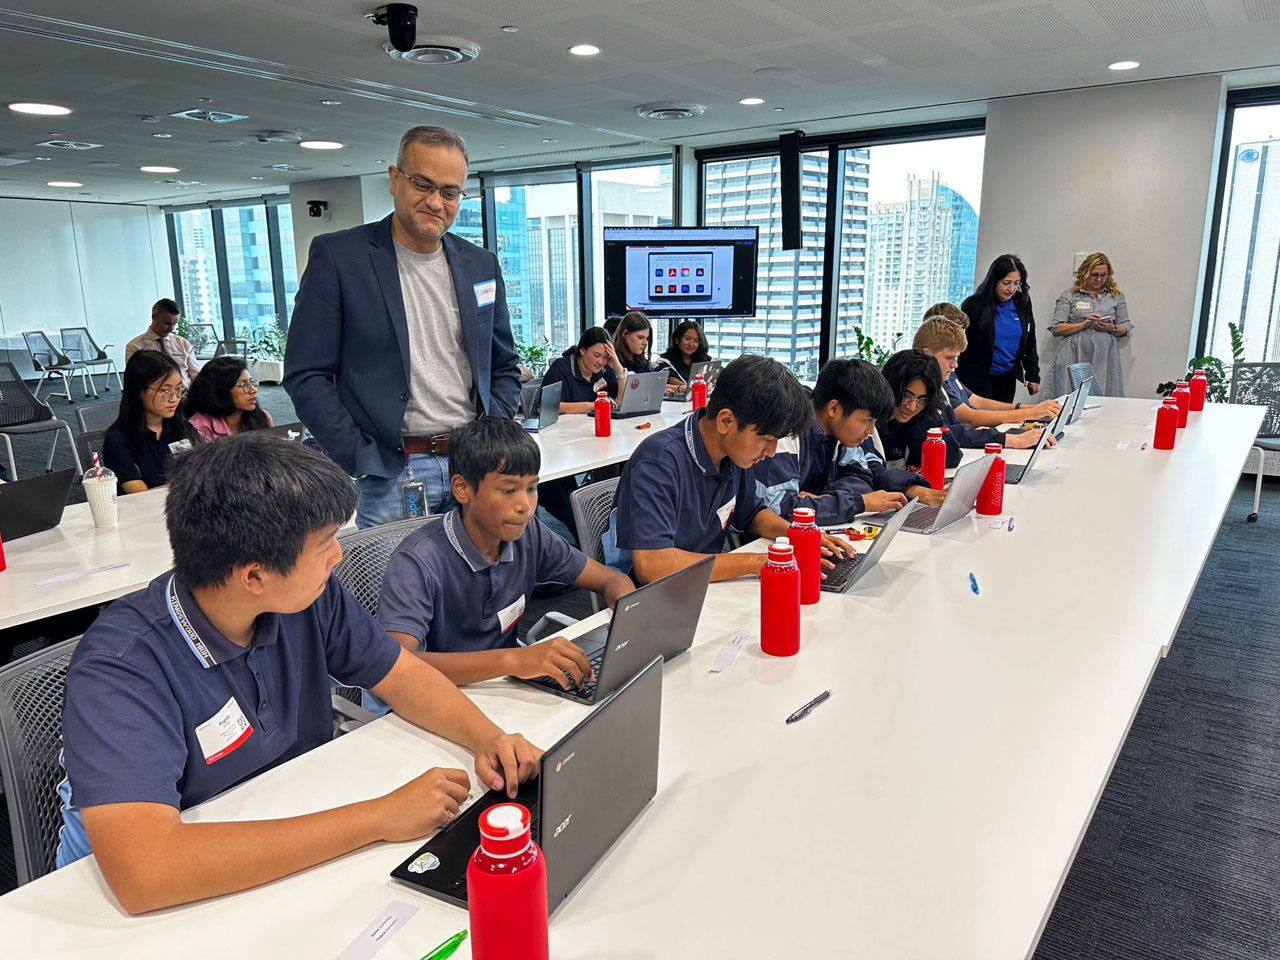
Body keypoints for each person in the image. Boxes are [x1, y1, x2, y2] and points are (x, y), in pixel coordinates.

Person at [56, 433, 540, 914]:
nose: (338, 556)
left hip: (281, 835)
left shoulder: (304, 598)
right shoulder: (122, 668)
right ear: (254, 575)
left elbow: (399, 674)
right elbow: (147, 870)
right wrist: (379, 817)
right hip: (157, 901)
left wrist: (486, 738)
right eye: (325, 544)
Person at [284, 125, 521, 527]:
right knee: (396, 571)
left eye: (450, 192)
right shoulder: (340, 257)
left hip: (474, 465)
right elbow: (306, 373)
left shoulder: (480, 264)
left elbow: (503, 363)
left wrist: (493, 435)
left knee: (481, 568)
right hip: (392, 471)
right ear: (395, 180)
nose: (435, 202)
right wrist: (356, 453)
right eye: (422, 184)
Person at [370, 417, 634, 703]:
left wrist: (630, 615)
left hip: (503, 692)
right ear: (462, 489)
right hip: (437, 697)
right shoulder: (417, 561)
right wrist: (511, 660)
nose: (525, 506)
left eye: (531, 488)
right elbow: (397, 664)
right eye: (508, 490)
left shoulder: (529, 534)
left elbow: (611, 579)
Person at [614, 354, 853, 585]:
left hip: (701, 585)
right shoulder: (659, 462)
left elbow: (752, 514)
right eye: (766, 439)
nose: (771, 451)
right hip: (650, 597)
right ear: (726, 421)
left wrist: (800, 537)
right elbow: (652, 566)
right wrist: (756, 562)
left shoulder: (732, 455)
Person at [755, 358, 946, 525]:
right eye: (867, 420)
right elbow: (781, 508)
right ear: (834, 409)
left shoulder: (841, 433)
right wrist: (856, 503)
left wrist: (829, 500)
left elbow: (861, 478)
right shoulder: (788, 431)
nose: (870, 431)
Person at [912, 313, 1055, 452]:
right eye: (949, 358)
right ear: (927, 354)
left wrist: (1028, 409)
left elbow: (976, 403)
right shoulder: (924, 387)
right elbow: (967, 420)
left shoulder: (946, 378)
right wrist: (1028, 415)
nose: (955, 364)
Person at [102, 350, 201, 494]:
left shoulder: (182, 428)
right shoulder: (118, 440)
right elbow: (140, 495)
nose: (174, 398)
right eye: (165, 390)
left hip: (188, 503)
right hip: (144, 506)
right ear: (139, 390)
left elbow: (201, 470)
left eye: (179, 389)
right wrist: (188, 483)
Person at [1046, 253, 1132, 396]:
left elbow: (1126, 327)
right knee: (1070, 393)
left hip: (1104, 355)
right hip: (1073, 353)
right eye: (1094, 275)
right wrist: (1083, 325)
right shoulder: (1070, 295)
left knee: (1103, 393)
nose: (1099, 279)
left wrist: (1112, 328)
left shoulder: (1115, 296)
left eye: (1103, 275)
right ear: (1085, 273)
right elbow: (1057, 328)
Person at [959, 254, 1041, 403]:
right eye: (1006, 283)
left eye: (1016, 283)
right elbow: (961, 343)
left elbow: (1030, 340)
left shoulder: (1022, 302)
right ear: (994, 281)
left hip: (1006, 377)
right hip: (976, 376)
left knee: (1004, 415)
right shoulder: (974, 305)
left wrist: (1032, 373)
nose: (1011, 288)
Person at [875, 349, 962, 470]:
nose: (912, 407)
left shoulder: (923, 414)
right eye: (906, 396)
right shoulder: (869, 422)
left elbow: (951, 458)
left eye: (922, 399)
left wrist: (920, 422)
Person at [184, 356, 275, 442]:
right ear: (221, 390)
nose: (254, 390)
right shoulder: (198, 428)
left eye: (251, 382)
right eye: (243, 384)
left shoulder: (263, 417)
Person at [540, 326, 624, 414]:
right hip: (567, 422)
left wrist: (619, 370)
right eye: (597, 355)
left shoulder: (606, 368)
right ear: (583, 350)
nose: (601, 362)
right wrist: (593, 405)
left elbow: (619, 403)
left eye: (606, 357)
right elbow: (551, 407)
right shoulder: (561, 368)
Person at [125, 298, 201, 389]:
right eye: (167, 323)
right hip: (155, 395)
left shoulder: (183, 344)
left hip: (186, 394)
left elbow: (196, 374)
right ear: (154, 317)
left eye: (175, 324)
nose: (171, 328)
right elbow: (135, 380)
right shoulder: (135, 347)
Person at [655, 320, 711, 388]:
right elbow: (668, 377)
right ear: (677, 339)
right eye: (687, 339)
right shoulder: (665, 361)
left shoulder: (706, 360)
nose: (691, 344)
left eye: (696, 341)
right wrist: (686, 388)